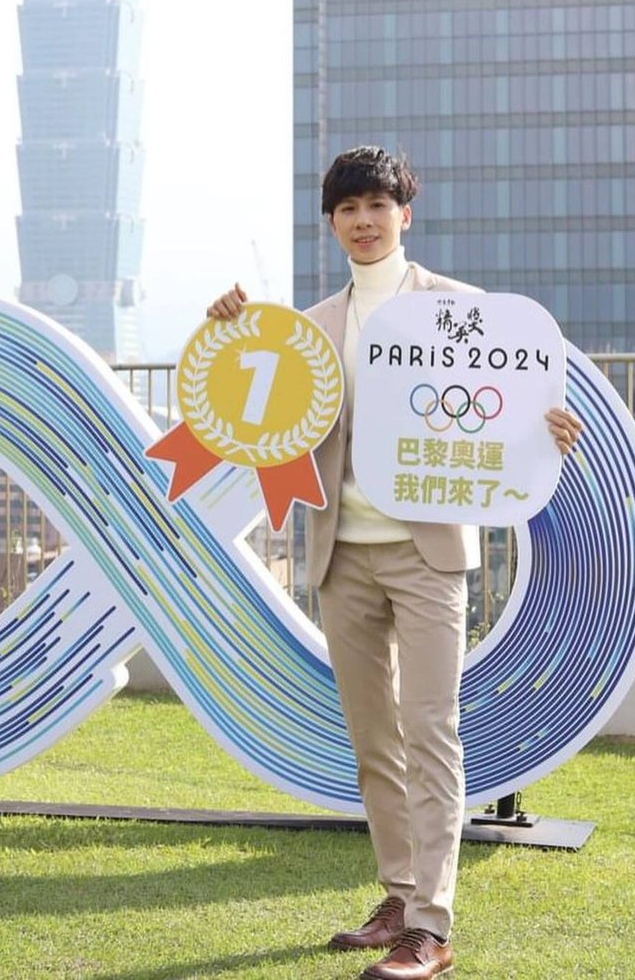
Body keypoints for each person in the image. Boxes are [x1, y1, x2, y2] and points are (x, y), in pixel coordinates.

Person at [207, 146, 580, 980]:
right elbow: (250, 413)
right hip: (342, 556)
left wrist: (547, 431)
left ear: (406, 214)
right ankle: (400, 893)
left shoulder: (465, 312)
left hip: (427, 552)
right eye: (349, 209)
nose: (365, 221)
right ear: (332, 223)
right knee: (374, 738)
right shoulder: (308, 328)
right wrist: (230, 331)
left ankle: (432, 929)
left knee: (430, 729)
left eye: (379, 205)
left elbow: (511, 410)